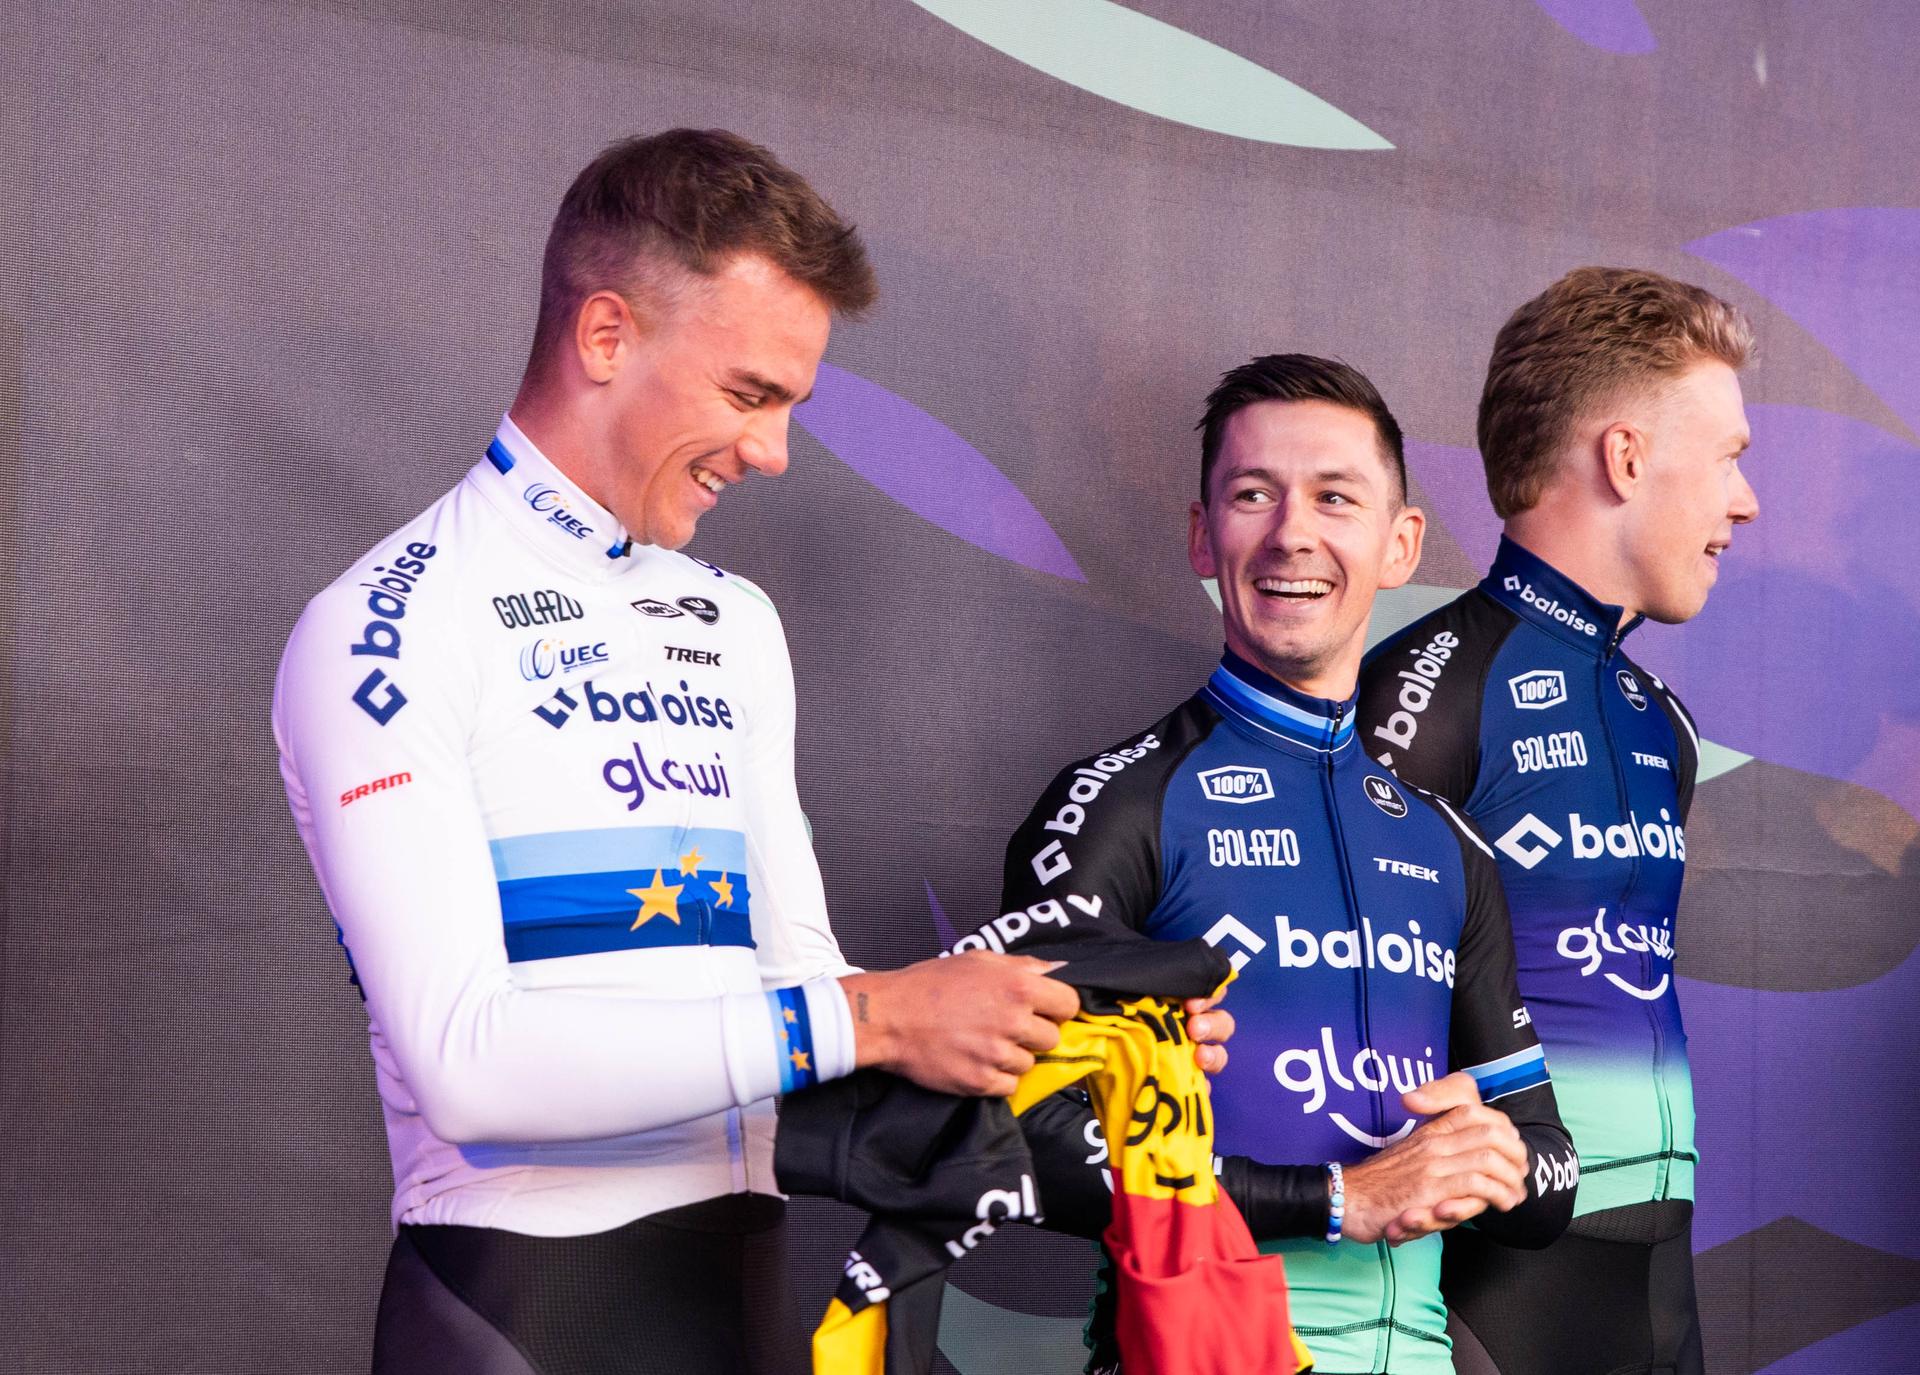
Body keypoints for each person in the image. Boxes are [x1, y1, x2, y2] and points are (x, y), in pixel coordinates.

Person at [271, 129, 1235, 1375]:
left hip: (736, 1307)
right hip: (514, 1315)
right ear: (607, 336)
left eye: (792, 405)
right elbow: (469, 1066)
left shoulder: (734, 623)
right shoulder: (385, 624)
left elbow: (806, 1012)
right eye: (748, 395)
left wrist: (1039, 1037)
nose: (774, 452)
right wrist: (880, 1013)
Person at [987, 355, 1577, 1375]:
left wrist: (1501, 1159)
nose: (1292, 532)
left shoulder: (1447, 842)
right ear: (1201, 535)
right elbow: (1027, 1143)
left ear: (1401, 546)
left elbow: (1553, 1186)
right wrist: (1346, 1199)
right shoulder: (1119, 804)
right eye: (1253, 494)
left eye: (1334, 497)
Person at [1357, 267, 1758, 1375]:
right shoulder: (1427, 691)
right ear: (1627, 459)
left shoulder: (1656, 717)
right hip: (1498, 1293)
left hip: (1664, 1283)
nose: (1746, 501)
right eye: (1729, 455)